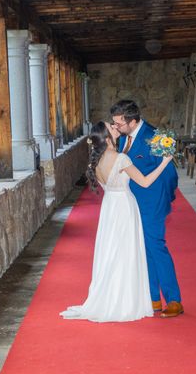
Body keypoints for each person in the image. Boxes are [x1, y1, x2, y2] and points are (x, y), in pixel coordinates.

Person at [60, 121, 173, 322]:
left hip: (109, 208)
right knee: (126, 252)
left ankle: (112, 296)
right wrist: (164, 162)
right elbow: (145, 182)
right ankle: (125, 300)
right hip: (124, 207)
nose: (116, 127)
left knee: (112, 252)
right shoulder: (121, 158)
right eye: (111, 128)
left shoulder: (96, 160)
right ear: (106, 137)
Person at [110, 100, 183, 318]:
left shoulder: (155, 137)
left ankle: (173, 300)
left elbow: (170, 174)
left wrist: (164, 199)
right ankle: (153, 298)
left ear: (132, 121)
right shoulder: (123, 138)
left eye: (119, 124)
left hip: (152, 203)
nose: (116, 128)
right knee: (143, 249)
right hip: (131, 203)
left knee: (156, 246)